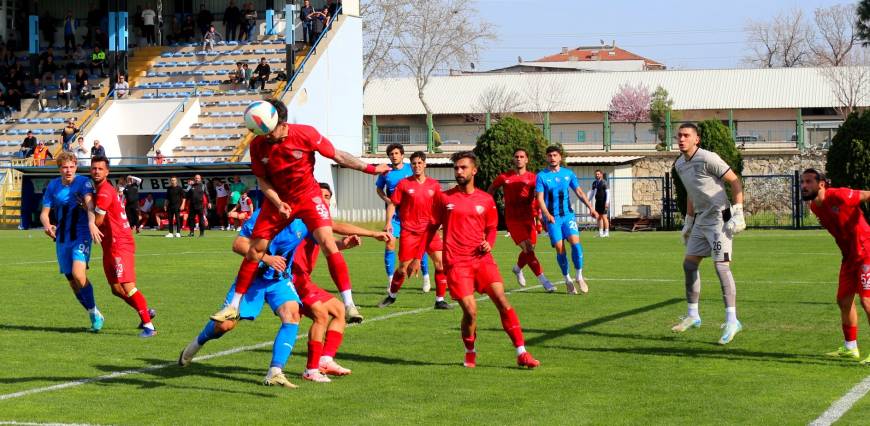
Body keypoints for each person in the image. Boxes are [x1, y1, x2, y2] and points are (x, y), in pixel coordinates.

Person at [209, 98, 390, 325]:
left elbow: (338, 155)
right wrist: (277, 202)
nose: (266, 137)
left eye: (269, 131)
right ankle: (232, 306)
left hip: (308, 196)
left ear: (282, 123)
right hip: (279, 201)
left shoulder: (305, 134)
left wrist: (372, 169)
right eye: (261, 133)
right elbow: (262, 180)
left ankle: (349, 304)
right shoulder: (257, 145)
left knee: (327, 241)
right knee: (256, 250)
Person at [415, 151, 540, 369]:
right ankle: (470, 350)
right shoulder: (444, 198)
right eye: (456, 168)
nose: (459, 171)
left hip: (482, 260)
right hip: (456, 264)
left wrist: (489, 243)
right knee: (471, 311)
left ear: (474, 170)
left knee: (502, 301)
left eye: (463, 168)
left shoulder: (486, 199)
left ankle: (522, 353)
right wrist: (417, 257)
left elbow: (491, 228)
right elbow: (430, 229)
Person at [178, 207, 303, 387]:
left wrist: (346, 241)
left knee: (292, 314)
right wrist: (267, 259)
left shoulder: (304, 217)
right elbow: (238, 244)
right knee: (225, 325)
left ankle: (275, 371)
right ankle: (196, 344)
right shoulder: (264, 213)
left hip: (279, 280)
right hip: (252, 279)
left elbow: (327, 231)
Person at [671, 122, 746, 345]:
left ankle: (732, 320)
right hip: (700, 220)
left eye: (686, 135)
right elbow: (692, 194)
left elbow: (735, 181)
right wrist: (688, 221)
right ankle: (693, 315)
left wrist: (739, 212)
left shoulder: (707, 157)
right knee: (689, 264)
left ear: (697, 139)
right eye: (679, 136)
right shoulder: (679, 165)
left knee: (721, 267)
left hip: (718, 219)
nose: (681, 139)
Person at [800, 169, 870, 362]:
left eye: (808, 182)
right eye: (802, 182)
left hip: (866, 252)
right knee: (843, 300)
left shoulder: (838, 194)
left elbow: (866, 195)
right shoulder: (815, 206)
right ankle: (850, 347)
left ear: (821, 184)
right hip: (848, 257)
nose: (804, 186)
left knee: (867, 301)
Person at [90, 156, 157, 338]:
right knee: (116, 289)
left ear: (107, 172)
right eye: (94, 168)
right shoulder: (101, 190)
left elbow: (98, 220)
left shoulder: (104, 191)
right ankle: (144, 311)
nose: (96, 171)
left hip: (119, 243)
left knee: (128, 286)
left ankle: (149, 327)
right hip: (109, 245)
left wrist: (87, 214)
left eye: (100, 169)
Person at [39, 151, 104, 332]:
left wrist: (91, 223)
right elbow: (44, 214)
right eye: (64, 167)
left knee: (78, 274)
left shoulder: (84, 182)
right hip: (62, 238)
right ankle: (94, 312)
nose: (68, 170)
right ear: (59, 168)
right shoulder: (53, 186)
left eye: (71, 166)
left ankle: (93, 313)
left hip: (81, 234)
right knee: (72, 281)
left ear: (76, 166)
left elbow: (90, 206)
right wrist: (47, 226)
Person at [379, 151, 449, 309]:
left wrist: (442, 222)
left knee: (441, 264)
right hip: (409, 232)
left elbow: (440, 205)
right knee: (403, 268)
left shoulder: (434, 185)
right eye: (414, 163)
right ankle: (392, 295)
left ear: (425, 164)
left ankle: (440, 300)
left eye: (419, 163)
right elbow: (393, 203)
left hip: (430, 231)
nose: (417, 166)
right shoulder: (404, 184)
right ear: (411, 166)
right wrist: (389, 222)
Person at [488, 148, 554, 290]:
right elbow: (492, 189)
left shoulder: (533, 178)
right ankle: (544, 281)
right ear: (513, 159)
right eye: (516, 156)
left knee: (530, 249)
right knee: (528, 249)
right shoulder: (504, 177)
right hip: (513, 219)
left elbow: (539, 196)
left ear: (526, 160)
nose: (519, 158)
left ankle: (517, 268)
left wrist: (541, 215)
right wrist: (488, 204)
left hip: (528, 218)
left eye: (522, 156)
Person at [535, 145, 598, 294]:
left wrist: (591, 208)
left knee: (576, 244)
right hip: (552, 219)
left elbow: (579, 192)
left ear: (560, 157)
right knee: (560, 248)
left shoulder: (568, 174)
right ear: (547, 157)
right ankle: (567, 279)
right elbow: (540, 198)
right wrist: (546, 214)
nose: (552, 158)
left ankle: (579, 276)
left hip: (568, 215)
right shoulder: (542, 176)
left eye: (555, 155)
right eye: (550, 155)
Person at [376, 143, 431, 291]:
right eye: (391, 154)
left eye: (396, 153)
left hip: (412, 215)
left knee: (419, 246)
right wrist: (387, 200)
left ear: (402, 155)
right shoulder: (385, 172)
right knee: (390, 243)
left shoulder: (411, 168)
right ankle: (390, 280)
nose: (394, 156)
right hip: (394, 215)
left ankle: (426, 277)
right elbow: (379, 189)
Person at [589, 169, 611, 238]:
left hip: (603, 202)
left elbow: (608, 193)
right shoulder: (594, 183)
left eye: (598, 174)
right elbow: (592, 193)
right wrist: (588, 200)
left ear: (601, 174)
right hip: (597, 202)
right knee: (598, 217)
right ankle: (600, 233)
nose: (597, 175)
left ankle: (606, 233)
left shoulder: (604, 182)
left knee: (604, 217)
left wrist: (607, 202)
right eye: (596, 174)